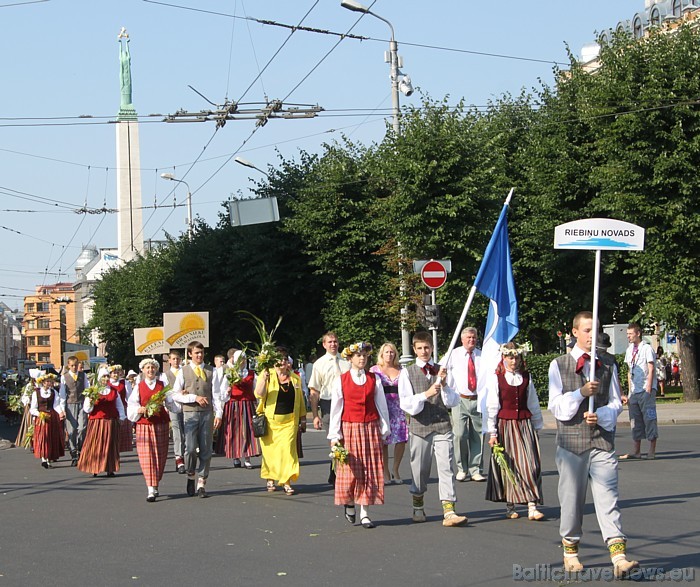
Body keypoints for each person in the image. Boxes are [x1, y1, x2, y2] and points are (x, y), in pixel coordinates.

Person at [548, 311, 638, 577]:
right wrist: (580, 393)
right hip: (571, 443)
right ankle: (570, 550)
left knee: (608, 498)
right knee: (572, 500)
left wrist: (604, 415)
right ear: (575, 332)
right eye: (587, 330)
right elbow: (557, 406)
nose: (592, 335)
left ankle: (618, 556)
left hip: (601, 441)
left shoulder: (608, 363)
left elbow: (614, 401)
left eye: (595, 330)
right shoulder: (560, 364)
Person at [398, 331, 468, 527]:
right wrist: (425, 394)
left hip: (442, 426)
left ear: (432, 348)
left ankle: (449, 510)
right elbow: (406, 403)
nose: (424, 351)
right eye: (419, 348)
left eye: (427, 348)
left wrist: (444, 386)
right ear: (414, 349)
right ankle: (418, 503)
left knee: (446, 468)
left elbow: (453, 401)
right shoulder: (407, 372)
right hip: (420, 428)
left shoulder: (442, 370)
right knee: (420, 470)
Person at [329, 342, 390, 529]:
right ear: (350, 359)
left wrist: (384, 427)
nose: (362, 358)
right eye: (358, 356)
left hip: (370, 427)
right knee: (350, 469)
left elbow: (381, 404)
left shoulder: (374, 379)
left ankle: (365, 513)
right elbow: (336, 408)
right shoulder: (342, 380)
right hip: (350, 428)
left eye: (364, 355)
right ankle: (349, 502)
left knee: (369, 470)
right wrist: (334, 435)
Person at [485, 342, 544, 520]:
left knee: (531, 463)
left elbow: (532, 402)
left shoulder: (526, 377)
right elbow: (493, 406)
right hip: (506, 425)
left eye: (516, 357)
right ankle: (510, 504)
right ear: (503, 358)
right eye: (510, 357)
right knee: (509, 465)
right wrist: (493, 432)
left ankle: (532, 504)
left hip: (525, 424)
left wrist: (537, 425)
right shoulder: (497, 378)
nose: (513, 361)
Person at [171, 341, 225, 498]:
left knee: (206, 448)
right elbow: (175, 394)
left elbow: (216, 394)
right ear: (190, 354)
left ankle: (202, 481)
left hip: (207, 413)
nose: (199, 355)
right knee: (190, 448)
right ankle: (190, 475)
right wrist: (194, 397)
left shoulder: (211, 371)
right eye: (196, 353)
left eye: (201, 353)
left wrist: (219, 414)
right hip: (189, 413)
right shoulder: (183, 371)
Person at [254, 348, 307, 495]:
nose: (282, 361)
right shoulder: (267, 374)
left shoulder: (295, 378)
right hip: (270, 422)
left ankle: (286, 481)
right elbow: (259, 394)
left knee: (288, 452)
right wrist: (264, 379)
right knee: (270, 453)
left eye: (284, 358)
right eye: (279, 359)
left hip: (290, 422)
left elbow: (301, 400)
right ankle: (270, 477)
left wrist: (303, 418)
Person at [127, 358, 180, 502]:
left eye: (152, 367)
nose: (150, 370)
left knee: (160, 455)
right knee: (146, 456)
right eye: (147, 368)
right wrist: (139, 409)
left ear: (156, 370)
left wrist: (178, 406)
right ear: (143, 370)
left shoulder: (162, 385)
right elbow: (131, 404)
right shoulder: (139, 386)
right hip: (144, 425)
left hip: (160, 423)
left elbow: (170, 402)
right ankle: (150, 488)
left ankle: (155, 483)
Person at [441, 326, 485, 482]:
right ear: (462, 339)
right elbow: (441, 369)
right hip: (460, 399)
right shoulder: (454, 354)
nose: (471, 340)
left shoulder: (482, 355)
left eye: (474, 337)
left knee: (478, 435)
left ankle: (476, 469)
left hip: (478, 399)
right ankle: (462, 468)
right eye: (468, 337)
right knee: (459, 434)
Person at [308, 331, 350, 485]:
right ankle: (337, 473)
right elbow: (314, 391)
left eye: (335, 341)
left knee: (346, 439)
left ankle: (339, 472)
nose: (333, 344)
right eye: (330, 342)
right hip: (328, 404)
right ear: (324, 345)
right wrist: (315, 415)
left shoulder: (347, 361)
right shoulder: (319, 364)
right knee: (334, 440)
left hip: (346, 403)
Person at [369, 342, 408, 484]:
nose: (389, 354)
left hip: (398, 407)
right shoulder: (375, 370)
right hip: (382, 407)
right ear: (381, 354)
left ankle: (396, 469)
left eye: (391, 352)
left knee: (402, 438)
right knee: (383, 440)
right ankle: (385, 472)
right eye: (386, 352)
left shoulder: (402, 370)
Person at [620, 322, 658, 460]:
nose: (628, 336)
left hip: (645, 389)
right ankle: (636, 451)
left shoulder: (647, 348)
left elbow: (651, 367)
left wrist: (649, 385)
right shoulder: (629, 350)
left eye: (630, 334)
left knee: (649, 417)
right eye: (627, 334)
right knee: (634, 420)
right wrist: (630, 391)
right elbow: (630, 371)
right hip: (634, 391)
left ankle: (652, 450)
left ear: (638, 333)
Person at [78, 368, 126, 477]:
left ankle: (110, 468)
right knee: (96, 445)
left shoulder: (113, 391)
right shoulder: (93, 391)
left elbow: (119, 405)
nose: (105, 379)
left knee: (110, 445)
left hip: (111, 421)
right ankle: (95, 467)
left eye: (107, 376)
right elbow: (87, 409)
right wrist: (90, 402)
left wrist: (122, 417)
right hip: (97, 422)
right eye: (103, 376)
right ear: (99, 378)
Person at [216, 350, 260, 469]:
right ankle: (236, 457)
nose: (242, 362)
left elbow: (257, 390)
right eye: (240, 359)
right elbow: (222, 394)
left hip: (248, 405)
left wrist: (258, 404)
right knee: (234, 431)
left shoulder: (251, 374)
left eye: (244, 359)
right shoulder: (229, 374)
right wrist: (227, 392)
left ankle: (247, 457)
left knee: (248, 431)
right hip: (234, 405)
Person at [59, 355, 90, 466]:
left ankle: (80, 449)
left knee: (82, 428)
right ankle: (73, 453)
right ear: (68, 366)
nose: (74, 367)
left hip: (81, 403)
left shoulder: (83, 375)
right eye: (72, 366)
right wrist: (62, 410)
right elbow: (62, 394)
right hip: (70, 404)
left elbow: (87, 389)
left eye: (76, 365)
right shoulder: (64, 377)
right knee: (71, 431)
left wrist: (88, 403)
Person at [30, 373, 65, 468]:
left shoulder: (53, 392)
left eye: (50, 381)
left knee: (51, 438)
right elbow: (33, 408)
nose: (49, 383)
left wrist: (61, 412)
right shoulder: (36, 393)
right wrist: (39, 414)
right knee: (43, 438)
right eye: (47, 381)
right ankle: (44, 459)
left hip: (52, 417)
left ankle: (49, 458)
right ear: (42, 383)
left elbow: (56, 405)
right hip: (41, 418)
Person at [163, 350, 186, 474]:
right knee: (177, 432)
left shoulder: (185, 371)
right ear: (170, 361)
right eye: (174, 359)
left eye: (178, 359)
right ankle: (179, 458)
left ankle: (185, 455)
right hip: (174, 406)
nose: (176, 361)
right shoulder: (166, 375)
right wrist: (176, 394)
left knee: (187, 431)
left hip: (187, 404)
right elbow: (166, 391)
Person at [108, 365, 133, 453]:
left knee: (122, 430)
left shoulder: (124, 383)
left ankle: (120, 448)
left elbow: (129, 397)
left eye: (117, 372)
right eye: (114, 373)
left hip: (123, 408)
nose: (116, 374)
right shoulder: (107, 383)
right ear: (110, 374)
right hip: (111, 409)